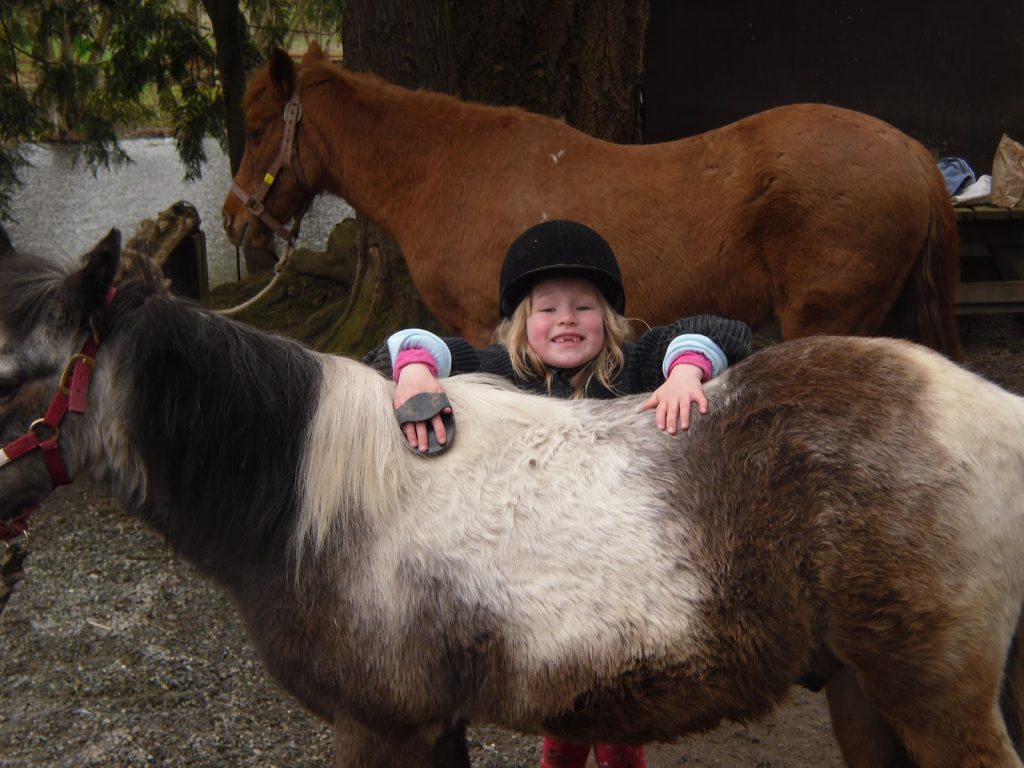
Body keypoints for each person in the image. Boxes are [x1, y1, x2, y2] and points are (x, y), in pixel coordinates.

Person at [365, 219, 752, 768]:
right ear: (523, 325)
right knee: (560, 722)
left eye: (584, 307)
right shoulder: (501, 372)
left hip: (621, 578)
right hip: (538, 583)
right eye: (547, 308)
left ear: (609, 321)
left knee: (620, 723)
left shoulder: (634, 368)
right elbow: (423, 346)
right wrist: (415, 372)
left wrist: (686, 373)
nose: (566, 319)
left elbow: (721, 330)